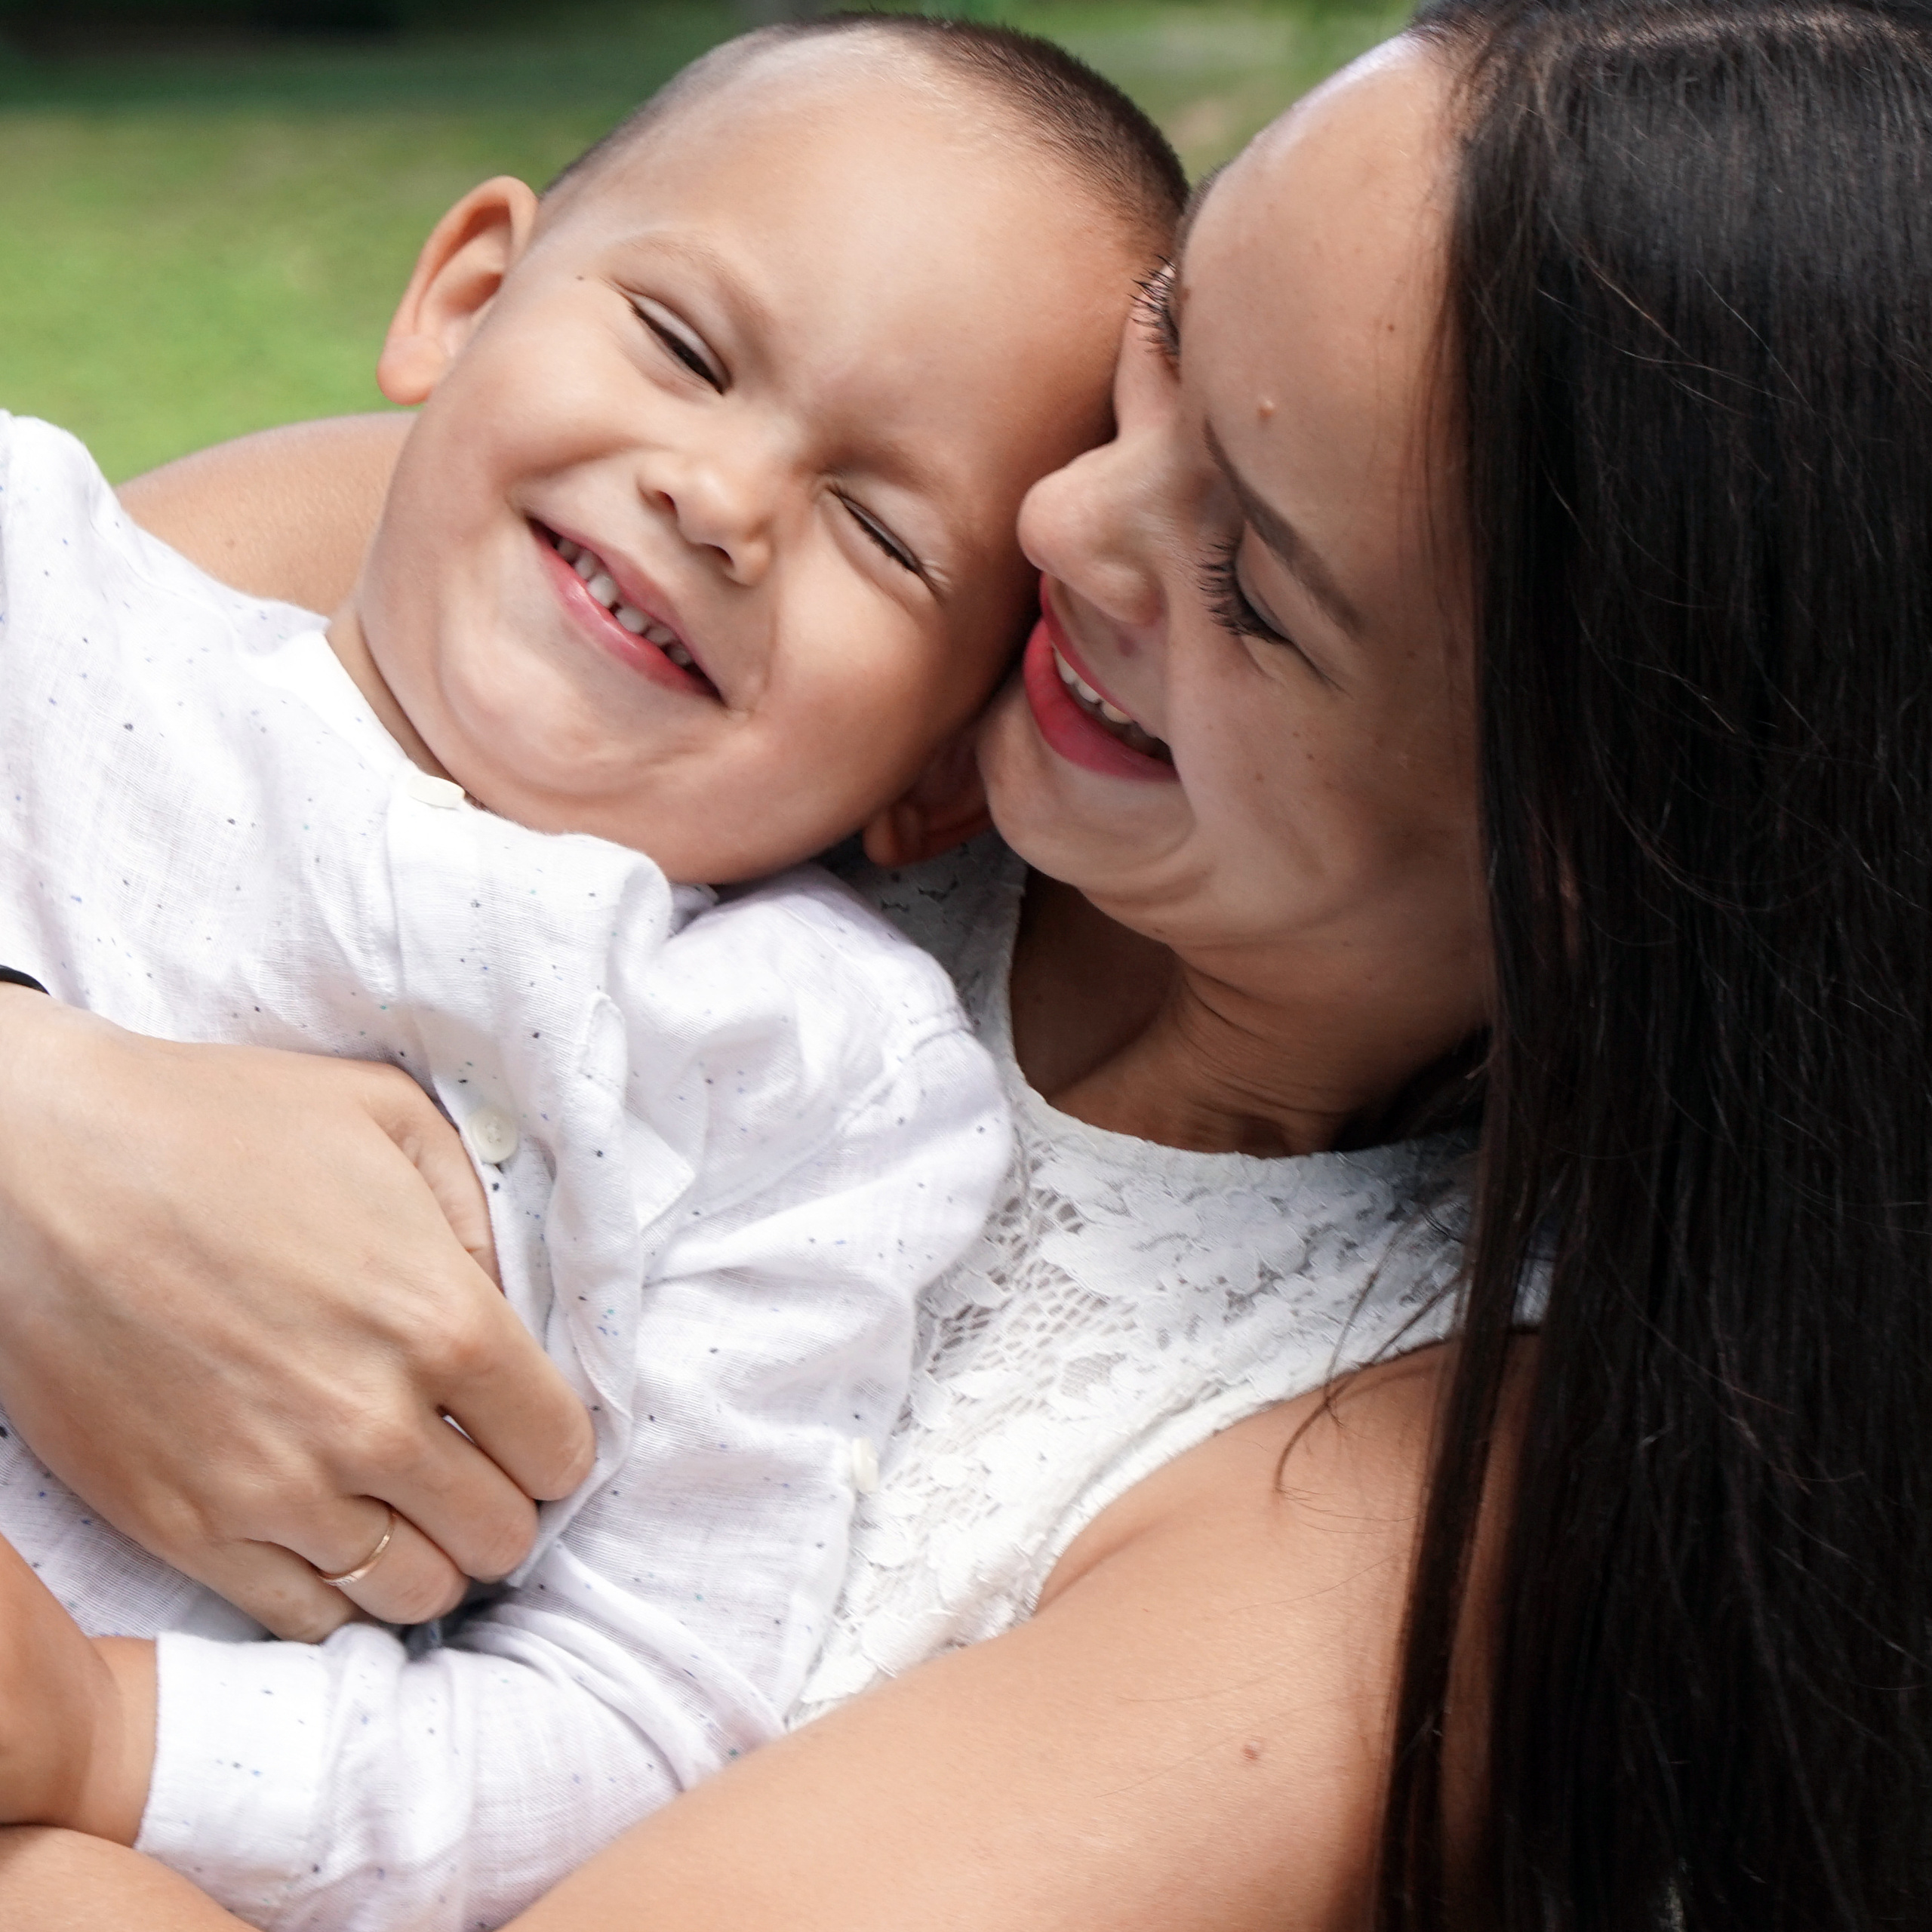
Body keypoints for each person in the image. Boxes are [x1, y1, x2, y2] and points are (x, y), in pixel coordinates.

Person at [2, 0, 1927, 1925]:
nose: (1057, 521)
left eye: (1252, 589)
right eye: (1163, 347)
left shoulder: (1360, 1527)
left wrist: (88, 1768)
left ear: (1578, 860)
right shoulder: (625, 562)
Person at [0, 16, 1188, 1929]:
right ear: (465, 298)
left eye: (880, 531)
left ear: (939, 778)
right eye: (687, 350)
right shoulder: (39, 589)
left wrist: (106, 1732)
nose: (721, 498)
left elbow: (632, 1706)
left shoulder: (803, 1080)